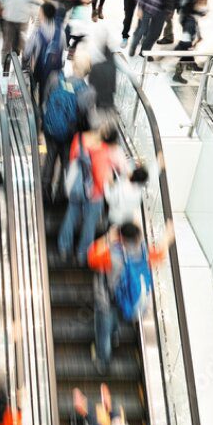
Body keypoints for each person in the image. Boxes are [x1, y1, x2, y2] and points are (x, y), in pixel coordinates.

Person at [88, 221, 174, 371]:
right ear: (138, 237)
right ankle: (114, 335)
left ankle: (103, 360)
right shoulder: (144, 252)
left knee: (103, 330)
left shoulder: (112, 255)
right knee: (115, 319)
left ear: (120, 237)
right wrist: (167, 236)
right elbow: (160, 253)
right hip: (126, 301)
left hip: (106, 300)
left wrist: (109, 236)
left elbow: (91, 256)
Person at [58, 122, 126, 266]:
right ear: (108, 136)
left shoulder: (79, 138)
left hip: (77, 188)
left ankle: (64, 247)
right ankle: (83, 254)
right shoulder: (106, 150)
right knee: (89, 224)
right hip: (95, 193)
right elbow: (108, 174)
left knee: (70, 217)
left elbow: (72, 159)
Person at [41, 50, 91, 202]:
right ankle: (62, 196)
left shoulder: (56, 78)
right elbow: (84, 117)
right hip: (70, 133)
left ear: (74, 63)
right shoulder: (85, 90)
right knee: (66, 164)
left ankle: (44, 193)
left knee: (50, 158)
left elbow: (45, 101)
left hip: (51, 129)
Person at [22, 1, 66, 105]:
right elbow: (63, 49)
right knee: (53, 97)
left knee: (41, 97)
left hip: (41, 71)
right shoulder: (61, 32)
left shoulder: (37, 32)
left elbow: (27, 52)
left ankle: (39, 114)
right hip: (56, 71)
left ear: (43, 15)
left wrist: (24, 64)